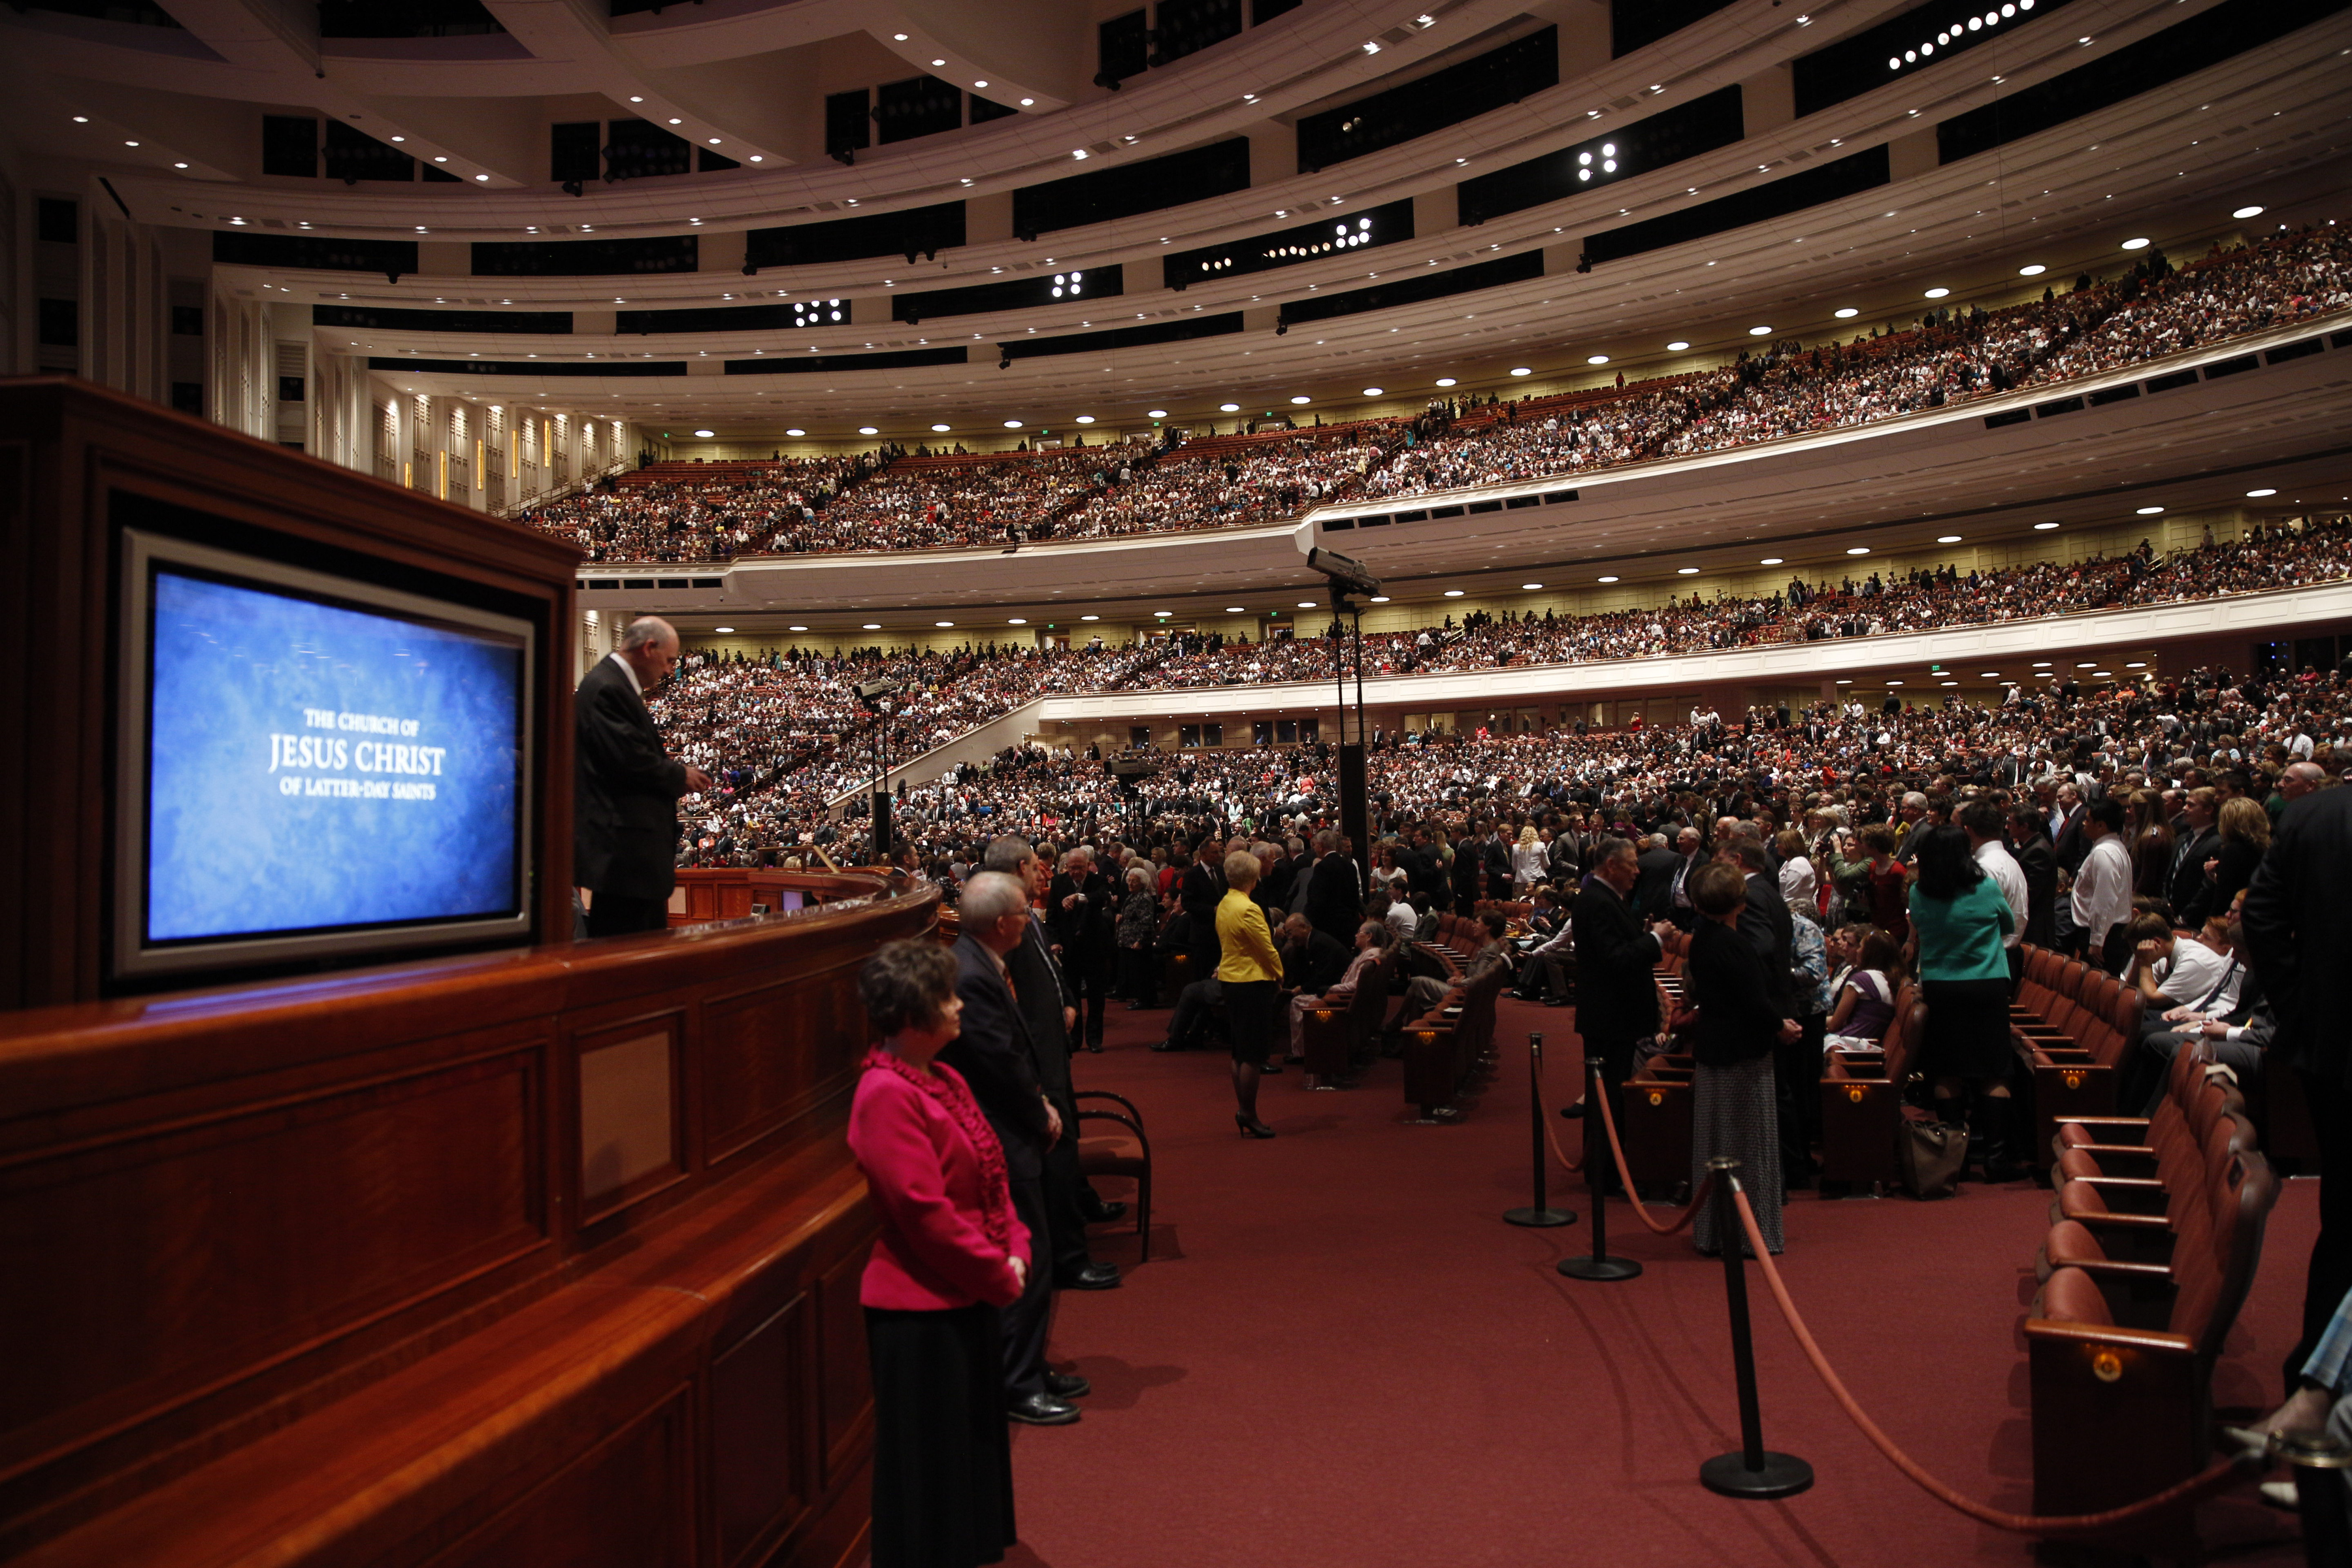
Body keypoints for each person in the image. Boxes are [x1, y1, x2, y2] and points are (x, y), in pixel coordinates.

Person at [849, 938, 1029, 1568]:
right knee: (928, 1470)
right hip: (918, 1312)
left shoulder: (942, 1075)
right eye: (945, 998)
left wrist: (1017, 1247)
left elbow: (990, 1172)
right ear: (912, 1014)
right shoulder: (883, 1094)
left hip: (967, 1292)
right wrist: (997, 1270)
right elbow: (922, 1214)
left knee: (967, 1451)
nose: (958, 1006)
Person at [941, 872, 1081, 1426]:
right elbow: (999, 1062)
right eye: (1026, 911)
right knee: (1027, 1259)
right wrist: (1040, 1109)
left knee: (1038, 1257)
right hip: (1003, 1133)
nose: (1031, 918)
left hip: (1010, 1126)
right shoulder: (972, 974)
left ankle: (1032, 1364)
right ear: (1003, 924)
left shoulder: (977, 960)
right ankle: (1018, 1382)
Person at [2242, 782, 2352, 1397]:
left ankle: (2316, 1387)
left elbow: (2259, 916)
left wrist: (2300, 1011)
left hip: (2331, 1049)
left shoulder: (2316, 814)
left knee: (2342, 1221)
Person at [574, 616, 713, 936]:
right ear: (649, 648)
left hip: (631, 855)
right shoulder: (608, 688)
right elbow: (628, 760)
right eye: (669, 661)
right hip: (624, 854)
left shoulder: (613, 684)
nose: (669, 671)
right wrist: (680, 775)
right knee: (625, 956)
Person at [1684, 860, 1791, 1256]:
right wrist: (1783, 1026)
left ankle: (1712, 1230)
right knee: (1748, 1144)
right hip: (1743, 1054)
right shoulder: (1736, 946)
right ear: (1740, 904)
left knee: (1715, 1138)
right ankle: (1750, 1233)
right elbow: (1754, 1003)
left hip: (1714, 1048)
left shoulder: (1701, 939)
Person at [1906, 824, 2021, 1182]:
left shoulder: (1918, 893)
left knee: (1947, 1069)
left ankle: (1951, 1155)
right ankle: (1997, 1159)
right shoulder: (1985, 886)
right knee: (1994, 1068)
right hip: (1986, 985)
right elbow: (2008, 923)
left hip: (1942, 985)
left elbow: (1921, 934)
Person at [1558, 838, 1665, 1166]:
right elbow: (1615, 959)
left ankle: (1604, 1162)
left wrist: (1643, 935)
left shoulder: (1607, 898)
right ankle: (1604, 1168)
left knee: (1609, 1092)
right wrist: (1655, 939)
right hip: (1611, 1016)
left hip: (1613, 1015)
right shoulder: (1599, 901)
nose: (1637, 871)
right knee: (1608, 1095)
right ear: (1611, 866)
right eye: (1632, 864)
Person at [1218, 849, 1285, 1137]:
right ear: (1253, 877)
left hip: (1231, 980)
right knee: (1253, 1055)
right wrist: (1280, 974)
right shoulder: (1248, 908)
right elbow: (1266, 948)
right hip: (1252, 982)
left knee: (1239, 1051)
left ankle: (1245, 1110)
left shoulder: (1225, 903)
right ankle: (1248, 1112)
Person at [1115, 864, 1160, 1009]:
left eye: (1134, 881)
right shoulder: (1133, 897)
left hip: (1138, 941)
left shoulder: (1144, 898)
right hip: (1129, 940)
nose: (1130, 883)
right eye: (1129, 880)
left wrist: (1140, 941)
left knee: (1142, 972)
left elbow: (1146, 921)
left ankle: (1145, 999)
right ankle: (1140, 997)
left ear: (1142, 883)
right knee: (1135, 972)